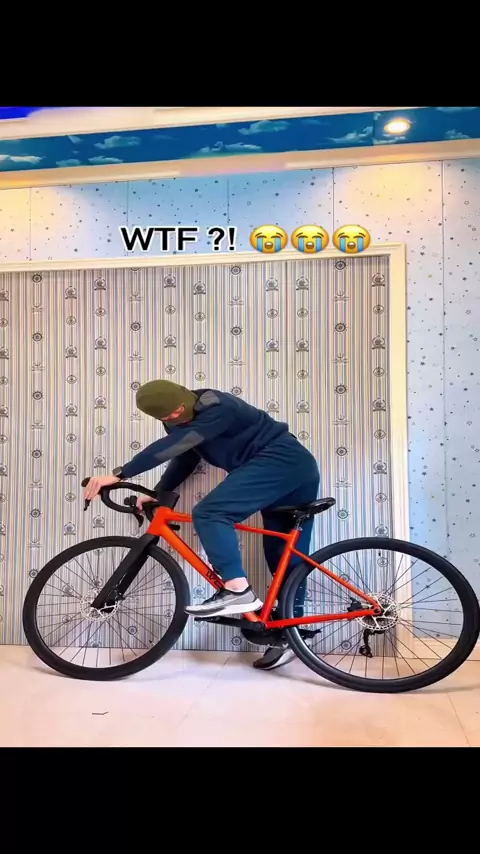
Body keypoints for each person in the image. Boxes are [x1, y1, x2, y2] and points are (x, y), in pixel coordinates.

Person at [84, 380, 320, 671]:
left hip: (281, 461)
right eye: (167, 416)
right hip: (286, 470)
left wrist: (120, 473)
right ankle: (290, 634)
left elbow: (179, 442)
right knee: (283, 556)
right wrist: (159, 492)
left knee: (210, 513)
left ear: (185, 397)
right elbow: (185, 455)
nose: (174, 416)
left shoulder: (219, 406)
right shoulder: (178, 424)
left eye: (177, 410)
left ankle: (237, 590)